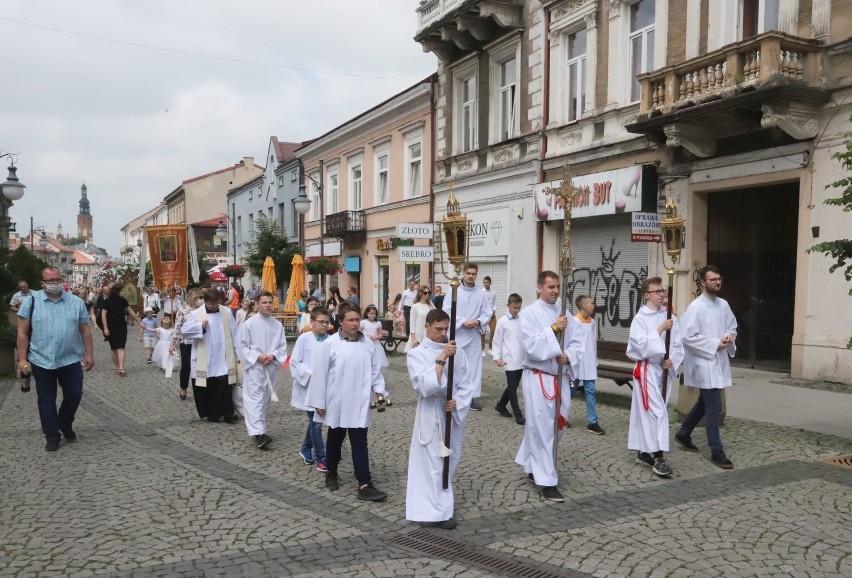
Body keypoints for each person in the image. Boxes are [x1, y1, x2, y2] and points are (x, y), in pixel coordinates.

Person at [306, 302, 388, 501]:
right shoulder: (331, 344)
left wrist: (379, 391)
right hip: (338, 402)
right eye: (350, 320)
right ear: (341, 321)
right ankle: (331, 472)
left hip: (359, 402)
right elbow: (319, 374)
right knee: (335, 439)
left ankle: (364, 483)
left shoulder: (367, 344)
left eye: (357, 319)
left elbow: (374, 370)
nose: (355, 323)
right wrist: (319, 401)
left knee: (360, 441)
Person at [514, 270, 584, 502]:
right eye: (551, 287)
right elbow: (530, 345)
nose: (555, 291)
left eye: (557, 287)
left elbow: (577, 342)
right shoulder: (529, 314)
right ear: (539, 288)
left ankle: (532, 462)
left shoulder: (565, 313)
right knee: (543, 426)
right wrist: (554, 329)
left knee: (559, 424)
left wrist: (569, 355)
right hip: (539, 377)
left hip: (560, 376)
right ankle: (546, 480)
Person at [405, 309, 475, 530]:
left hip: (450, 412)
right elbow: (425, 386)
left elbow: (467, 382)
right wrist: (443, 356)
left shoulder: (459, 352)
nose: (443, 333)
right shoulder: (416, 353)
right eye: (438, 329)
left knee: (449, 459)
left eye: (446, 329)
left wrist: (459, 401)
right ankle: (432, 511)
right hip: (431, 410)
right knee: (432, 463)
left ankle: (441, 508)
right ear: (427, 326)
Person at [16, 267, 95, 452]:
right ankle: (52, 435)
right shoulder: (31, 302)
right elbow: (22, 333)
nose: (55, 283)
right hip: (41, 359)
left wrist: (89, 354)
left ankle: (64, 422)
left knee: (74, 394)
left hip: (70, 359)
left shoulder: (76, 302)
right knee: (46, 399)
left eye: (58, 279)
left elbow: (85, 329)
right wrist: (22, 360)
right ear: (42, 283)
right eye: (50, 281)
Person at [676, 265, 738, 470]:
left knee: (705, 401)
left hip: (718, 360)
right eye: (713, 279)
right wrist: (713, 344)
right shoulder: (696, 307)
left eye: (719, 279)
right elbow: (687, 336)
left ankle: (683, 433)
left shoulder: (724, 305)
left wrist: (729, 336)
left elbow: (732, 326)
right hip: (704, 362)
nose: (717, 282)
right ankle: (716, 451)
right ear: (703, 282)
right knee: (714, 406)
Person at [627, 277, 684, 478]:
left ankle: (643, 452)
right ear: (647, 295)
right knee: (656, 412)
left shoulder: (670, 317)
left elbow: (677, 344)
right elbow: (637, 346)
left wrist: (672, 360)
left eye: (663, 291)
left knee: (652, 411)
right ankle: (658, 457)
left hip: (663, 371)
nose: (662, 294)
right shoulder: (640, 319)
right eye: (657, 291)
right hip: (646, 370)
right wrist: (660, 329)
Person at [180, 288, 240, 424]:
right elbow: (184, 331)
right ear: (205, 301)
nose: (213, 306)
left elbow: (234, 332)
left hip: (223, 354)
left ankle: (227, 413)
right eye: (210, 304)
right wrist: (200, 326)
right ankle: (212, 413)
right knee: (206, 385)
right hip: (205, 356)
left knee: (224, 384)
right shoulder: (196, 314)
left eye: (216, 303)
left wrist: (238, 353)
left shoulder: (227, 312)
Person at [238, 291, 288, 450]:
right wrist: (257, 356)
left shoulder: (277, 325)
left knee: (265, 399)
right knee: (254, 399)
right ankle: (258, 434)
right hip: (255, 368)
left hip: (270, 367)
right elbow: (242, 346)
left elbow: (282, 346)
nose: (267, 305)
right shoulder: (249, 324)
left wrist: (272, 356)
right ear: (257, 304)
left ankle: (259, 430)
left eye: (269, 302)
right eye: (264, 302)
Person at [442, 263, 492, 411]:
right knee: (456, 365)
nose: (471, 276)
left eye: (473, 274)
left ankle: (471, 397)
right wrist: (462, 321)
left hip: (473, 335)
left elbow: (487, 312)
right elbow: (446, 309)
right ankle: (453, 394)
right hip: (458, 334)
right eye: (468, 273)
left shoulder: (481, 294)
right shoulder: (453, 290)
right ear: (464, 273)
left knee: (474, 367)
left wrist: (478, 321)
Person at [289, 306, 331, 472]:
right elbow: (295, 362)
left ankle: (305, 448)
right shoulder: (304, 339)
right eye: (321, 322)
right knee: (316, 423)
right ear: (312, 322)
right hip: (308, 387)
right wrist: (310, 374)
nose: (324, 325)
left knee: (315, 422)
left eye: (327, 322)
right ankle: (322, 457)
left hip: (324, 388)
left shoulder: (330, 341)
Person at [571, 295, 605, 435]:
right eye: (591, 303)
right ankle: (560, 415)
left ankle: (592, 422)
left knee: (590, 391)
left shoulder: (592, 322)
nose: (594, 305)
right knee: (570, 390)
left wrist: (594, 360)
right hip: (577, 363)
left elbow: (593, 342)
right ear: (584, 305)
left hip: (589, 361)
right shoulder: (574, 321)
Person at [492, 293, 525, 425]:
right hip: (508, 358)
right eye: (514, 308)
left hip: (520, 358)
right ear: (508, 306)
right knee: (512, 387)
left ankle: (500, 405)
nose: (516, 310)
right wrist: (496, 357)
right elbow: (496, 341)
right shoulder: (502, 322)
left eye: (518, 308)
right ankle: (518, 415)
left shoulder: (521, 319)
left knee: (515, 384)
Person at [101, 282, 141, 376]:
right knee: (114, 348)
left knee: (121, 347)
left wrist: (139, 321)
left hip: (121, 326)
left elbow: (130, 311)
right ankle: (117, 367)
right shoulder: (107, 301)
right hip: (111, 327)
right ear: (117, 291)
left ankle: (122, 368)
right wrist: (105, 328)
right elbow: (103, 315)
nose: (123, 293)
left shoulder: (123, 300)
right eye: (121, 291)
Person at [170, 288, 203, 401]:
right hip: (186, 343)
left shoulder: (201, 310)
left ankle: (200, 388)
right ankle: (183, 387)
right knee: (186, 366)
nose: (198, 300)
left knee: (200, 365)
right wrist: (172, 343)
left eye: (200, 298)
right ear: (191, 298)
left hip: (199, 342)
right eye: (196, 298)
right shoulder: (183, 310)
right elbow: (177, 327)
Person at [404, 286, 434, 353]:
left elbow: (436, 315)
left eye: (429, 293)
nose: (427, 294)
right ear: (420, 293)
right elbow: (412, 324)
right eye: (425, 293)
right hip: (418, 334)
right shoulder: (415, 306)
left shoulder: (429, 306)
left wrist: (431, 303)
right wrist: (414, 338)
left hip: (428, 334)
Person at [481, 275, 497, 356]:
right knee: (482, 332)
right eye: (484, 282)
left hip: (492, 315)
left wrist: (494, 311)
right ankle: (482, 349)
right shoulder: (481, 292)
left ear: (490, 283)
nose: (486, 284)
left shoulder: (493, 292)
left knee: (493, 331)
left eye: (487, 282)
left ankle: (491, 348)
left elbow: (494, 302)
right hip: (484, 315)